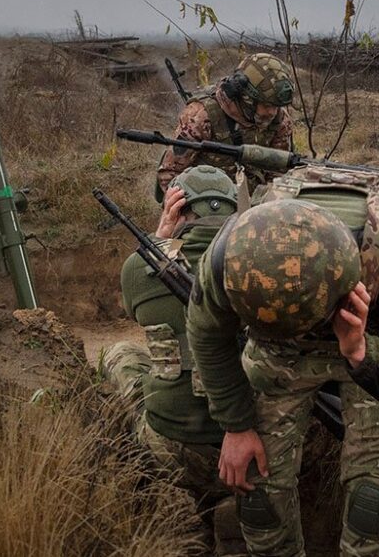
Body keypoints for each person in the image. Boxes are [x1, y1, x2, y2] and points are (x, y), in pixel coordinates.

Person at [187, 166, 379, 557]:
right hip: (279, 352)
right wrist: (236, 425)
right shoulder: (229, 256)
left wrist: (361, 352)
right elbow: (207, 335)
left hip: (376, 336)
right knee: (257, 495)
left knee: (370, 502)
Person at [99, 166, 241, 550]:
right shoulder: (262, 262)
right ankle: (231, 509)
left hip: (171, 448)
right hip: (250, 449)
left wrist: (161, 237)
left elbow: (135, 310)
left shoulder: (140, 267)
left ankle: (146, 481)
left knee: (120, 353)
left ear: (176, 210)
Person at [157, 52, 296, 200]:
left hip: (257, 202)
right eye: (267, 105)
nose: (272, 112)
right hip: (208, 201)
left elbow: (280, 172)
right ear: (247, 98)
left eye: (277, 106)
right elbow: (169, 176)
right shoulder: (201, 117)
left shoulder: (279, 120)